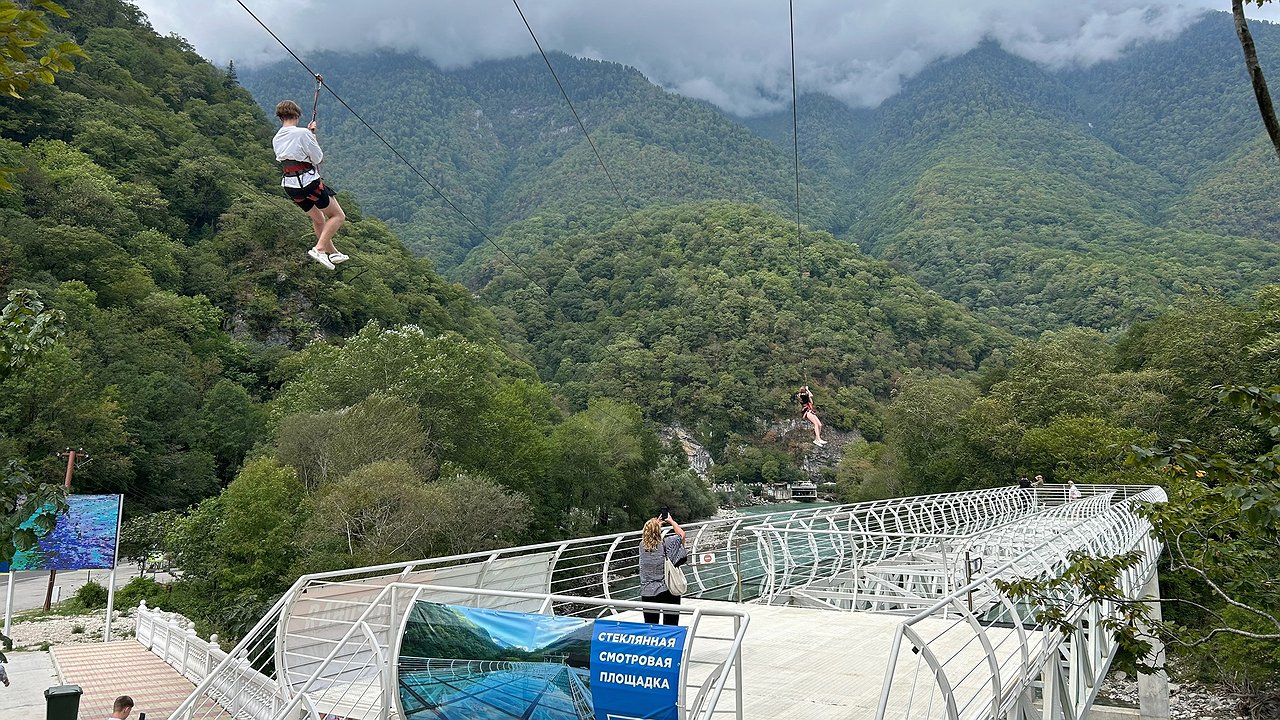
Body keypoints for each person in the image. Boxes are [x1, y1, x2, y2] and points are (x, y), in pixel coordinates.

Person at [272, 100, 348, 270]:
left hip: (290, 186)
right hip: (308, 182)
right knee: (338, 216)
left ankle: (333, 253)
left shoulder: (276, 138)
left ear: (279, 118)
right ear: (297, 115)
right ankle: (319, 249)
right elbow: (317, 158)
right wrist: (312, 135)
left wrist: (309, 135)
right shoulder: (303, 134)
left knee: (318, 218)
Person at [637, 514, 687, 625]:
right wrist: (671, 521)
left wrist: (654, 523)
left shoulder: (642, 546)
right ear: (658, 531)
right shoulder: (667, 544)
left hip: (647, 591)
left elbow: (648, 534)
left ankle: (654, 642)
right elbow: (682, 535)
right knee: (671, 623)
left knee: (651, 625)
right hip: (666, 589)